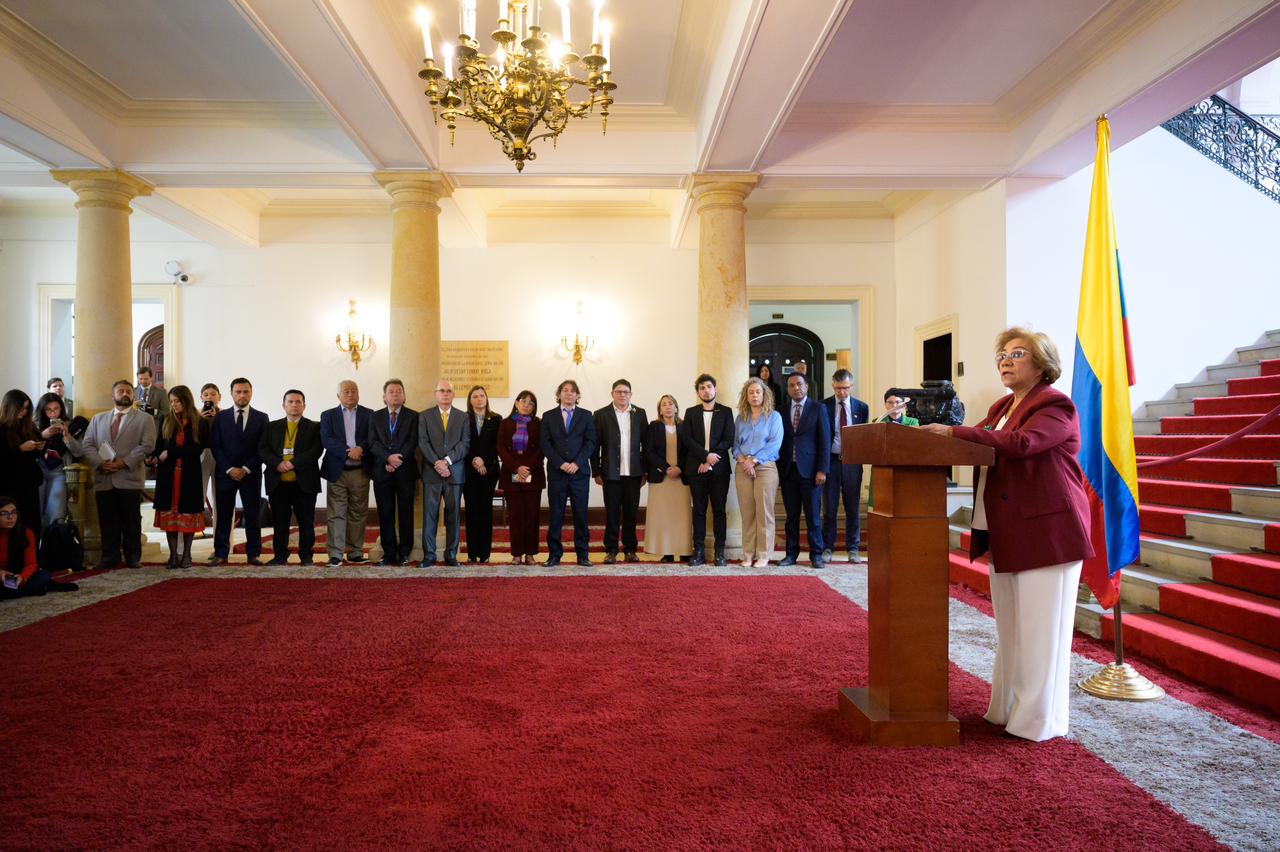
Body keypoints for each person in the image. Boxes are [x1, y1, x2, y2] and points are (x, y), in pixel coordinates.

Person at [922, 328, 1094, 743]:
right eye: (1002, 353)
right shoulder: (1003, 405)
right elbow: (981, 441)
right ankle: (1008, 708)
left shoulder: (1056, 405)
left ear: (1042, 363)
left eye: (1018, 353)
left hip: (1049, 531)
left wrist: (955, 433)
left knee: (1041, 630)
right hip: (1009, 530)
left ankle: (1037, 721)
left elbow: (1022, 443)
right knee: (1013, 629)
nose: (1006, 360)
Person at [81, 380, 156, 569]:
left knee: (131, 521)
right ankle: (109, 557)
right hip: (104, 478)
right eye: (120, 391)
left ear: (133, 395)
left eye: (128, 391)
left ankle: (133, 557)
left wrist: (124, 462)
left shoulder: (144, 419)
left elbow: (147, 445)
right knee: (107, 521)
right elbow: (87, 444)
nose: (125, 394)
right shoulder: (98, 419)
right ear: (112, 395)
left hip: (129, 478)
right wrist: (100, 463)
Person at [209, 377, 269, 566]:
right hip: (225, 473)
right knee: (224, 515)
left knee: (252, 514)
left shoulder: (261, 417)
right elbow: (216, 446)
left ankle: (253, 554)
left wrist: (245, 468)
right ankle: (221, 554)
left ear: (251, 393)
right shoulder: (220, 417)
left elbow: (263, 448)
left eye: (246, 392)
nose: (242, 395)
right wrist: (229, 469)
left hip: (250, 473)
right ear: (231, 393)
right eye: (238, 392)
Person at [260, 389, 323, 566]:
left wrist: (293, 463)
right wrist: (277, 463)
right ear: (283, 405)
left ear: (304, 405)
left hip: (304, 483)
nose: (294, 405)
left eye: (298, 402)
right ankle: (280, 556)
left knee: (306, 522)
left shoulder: (314, 427)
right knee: (280, 523)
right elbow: (263, 449)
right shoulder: (271, 426)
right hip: (278, 483)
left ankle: (306, 556)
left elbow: (316, 450)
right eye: (290, 402)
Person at [152, 385, 209, 570]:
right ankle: (173, 556)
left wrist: (172, 451)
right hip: (168, 475)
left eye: (177, 401)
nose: (174, 404)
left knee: (188, 513)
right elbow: (159, 446)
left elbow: (197, 448)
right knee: (171, 517)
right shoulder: (166, 419)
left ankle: (187, 555)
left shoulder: (199, 422)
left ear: (186, 400)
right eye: (172, 401)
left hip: (189, 475)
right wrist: (154, 456)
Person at [680, 374, 734, 567]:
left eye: (709, 387)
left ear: (715, 389)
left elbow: (728, 439)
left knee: (719, 511)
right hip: (697, 470)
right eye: (701, 387)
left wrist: (710, 460)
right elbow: (687, 439)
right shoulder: (691, 412)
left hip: (719, 470)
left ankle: (720, 552)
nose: (706, 390)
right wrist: (704, 457)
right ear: (697, 392)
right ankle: (699, 551)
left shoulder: (726, 412)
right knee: (699, 512)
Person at [541, 379, 597, 567]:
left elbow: (591, 443)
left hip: (579, 473)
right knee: (556, 515)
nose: (569, 393)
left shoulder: (586, 415)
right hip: (557, 473)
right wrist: (561, 463)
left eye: (573, 391)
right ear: (559, 395)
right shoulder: (548, 416)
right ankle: (554, 555)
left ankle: (583, 555)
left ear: (578, 396)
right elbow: (545, 444)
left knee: (581, 515)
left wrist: (576, 463)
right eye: (565, 390)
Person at [592, 379, 647, 564]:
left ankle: (631, 549)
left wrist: (645, 471)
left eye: (625, 392)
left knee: (631, 513)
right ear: (612, 394)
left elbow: (645, 445)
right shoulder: (601, 414)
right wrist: (596, 471)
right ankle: (611, 550)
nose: (622, 394)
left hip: (633, 473)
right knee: (612, 513)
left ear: (631, 394)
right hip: (610, 474)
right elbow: (595, 446)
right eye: (618, 391)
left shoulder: (640, 413)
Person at [779, 372, 830, 569]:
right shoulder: (781, 411)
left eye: (799, 384)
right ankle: (791, 554)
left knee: (813, 517)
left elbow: (824, 442)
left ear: (807, 386)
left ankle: (816, 554)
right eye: (791, 385)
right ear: (788, 388)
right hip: (788, 471)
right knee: (791, 517)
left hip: (811, 473)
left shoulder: (818, 408)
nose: (796, 388)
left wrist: (822, 470)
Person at [319, 380, 373, 566]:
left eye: (354, 391)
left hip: (360, 470)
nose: (350, 394)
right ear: (338, 395)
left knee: (358, 512)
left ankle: (355, 552)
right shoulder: (328, 415)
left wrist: (360, 448)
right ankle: (335, 554)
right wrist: (348, 451)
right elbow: (327, 440)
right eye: (346, 391)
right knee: (336, 513)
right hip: (338, 470)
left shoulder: (369, 414)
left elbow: (372, 438)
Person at [733, 378, 783, 568]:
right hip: (743, 467)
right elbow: (736, 444)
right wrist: (744, 460)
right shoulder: (741, 418)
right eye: (751, 392)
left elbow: (774, 444)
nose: (754, 395)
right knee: (747, 513)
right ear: (746, 396)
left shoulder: (774, 417)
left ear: (764, 395)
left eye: (758, 392)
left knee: (764, 513)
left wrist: (753, 460)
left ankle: (764, 554)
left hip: (765, 467)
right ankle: (748, 554)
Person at [369, 379, 419, 566]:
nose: (395, 394)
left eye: (399, 391)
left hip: (405, 472)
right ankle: (389, 553)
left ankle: (404, 552)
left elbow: (413, 441)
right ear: (384, 397)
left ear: (404, 396)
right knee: (385, 513)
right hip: (382, 471)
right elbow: (372, 442)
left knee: (406, 512)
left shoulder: (414, 416)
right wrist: (387, 458)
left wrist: (397, 460)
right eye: (391, 391)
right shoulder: (375, 417)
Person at [419, 380, 469, 567]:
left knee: (453, 515)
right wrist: (437, 463)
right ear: (435, 394)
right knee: (430, 515)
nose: (446, 394)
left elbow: (464, 444)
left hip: (454, 473)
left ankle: (451, 555)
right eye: (442, 391)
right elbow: (423, 443)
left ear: (453, 395)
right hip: (432, 473)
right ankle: (429, 555)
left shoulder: (463, 417)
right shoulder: (425, 416)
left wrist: (447, 461)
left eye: (449, 391)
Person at [823, 368, 869, 564]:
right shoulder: (823, 406)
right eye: (838, 388)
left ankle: (853, 548)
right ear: (833, 385)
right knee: (830, 507)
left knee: (852, 507)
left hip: (852, 462)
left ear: (852, 386)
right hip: (831, 462)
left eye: (846, 388)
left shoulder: (861, 407)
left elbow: (863, 435)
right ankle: (828, 547)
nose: (842, 392)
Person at [642, 395, 692, 563]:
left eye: (671, 404)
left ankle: (685, 551)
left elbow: (691, 451)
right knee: (664, 516)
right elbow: (648, 451)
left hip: (681, 478)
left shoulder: (685, 427)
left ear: (676, 408)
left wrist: (679, 468)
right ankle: (668, 552)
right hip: (661, 478)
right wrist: (666, 468)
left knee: (681, 516)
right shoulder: (654, 427)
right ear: (660, 410)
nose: (668, 407)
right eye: (664, 405)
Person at [497, 390, 544, 565]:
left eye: (531, 403)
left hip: (533, 474)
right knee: (515, 517)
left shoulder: (539, 424)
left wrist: (527, 468)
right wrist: (517, 467)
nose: (526, 405)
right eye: (523, 401)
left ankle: (530, 554)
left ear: (534, 407)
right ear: (516, 403)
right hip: (511, 475)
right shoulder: (505, 423)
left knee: (532, 517)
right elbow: (500, 448)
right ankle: (516, 554)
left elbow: (542, 448)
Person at [0, 497, 77, 600]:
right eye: (4, 513)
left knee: (44, 575)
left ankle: (11, 592)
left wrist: (22, 577)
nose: (10, 517)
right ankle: (34, 590)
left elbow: (31, 564)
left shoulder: (25, 533)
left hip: (17, 577)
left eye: (14, 512)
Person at [463, 386, 502, 563]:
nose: (479, 399)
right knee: (471, 512)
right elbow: (462, 442)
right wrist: (474, 460)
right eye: (475, 397)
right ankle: (472, 553)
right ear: (470, 401)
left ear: (486, 398)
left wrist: (484, 461)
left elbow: (498, 446)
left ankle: (485, 554)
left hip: (489, 471)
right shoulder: (463, 419)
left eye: (482, 396)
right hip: (469, 470)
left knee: (485, 511)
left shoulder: (496, 419)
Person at [0, 390, 44, 535]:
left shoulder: (27, 426)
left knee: (32, 525)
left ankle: (32, 557)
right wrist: (20, 449)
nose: (24, 412)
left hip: (29, 483)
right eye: (21, 408)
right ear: (11, 407)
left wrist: (40, 447)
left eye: (26, 408)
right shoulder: (2, 428)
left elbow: (37, 454)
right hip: (9, 486)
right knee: (12, 527)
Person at [34, 392, 80, 528]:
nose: (53, 413)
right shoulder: (33, 426)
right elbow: (24, 448)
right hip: (38, 471)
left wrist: (67, 436)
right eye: (49, 410)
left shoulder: (70, 425)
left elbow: (79, 451)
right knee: (37, 509)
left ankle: (54, 543)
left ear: (61, 409)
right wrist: (42, 435)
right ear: (42, 411)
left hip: (59, 472)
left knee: (56, 510)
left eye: (56, 409)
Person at [198, 383, 222, 536]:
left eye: (213, 394)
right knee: (198, 495)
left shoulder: (226, 414)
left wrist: (216, 418)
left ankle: (220, 540)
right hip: (200, 456)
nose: (209, 397)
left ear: (219, 397)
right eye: (206, 394)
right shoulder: (194, 415)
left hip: (220, 456)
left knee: (220, 498)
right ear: (201, 397)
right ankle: (194, 532)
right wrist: (199, 419)